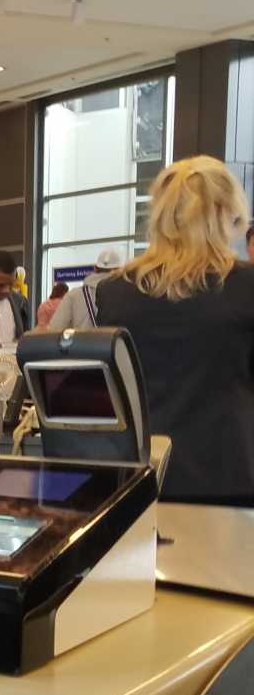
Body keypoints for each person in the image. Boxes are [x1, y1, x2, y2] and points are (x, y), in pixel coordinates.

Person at [97, 155, 254, 502]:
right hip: (230, 478)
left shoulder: (114, 291)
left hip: (139, 481)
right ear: (225, 213)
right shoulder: (246, 288)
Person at [48, 249, 123, 331]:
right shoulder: (126, 294)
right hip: (115, 343)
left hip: (82, 343)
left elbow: (55, 328)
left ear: (95, 268)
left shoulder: (73, 295)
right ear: (121, 269)